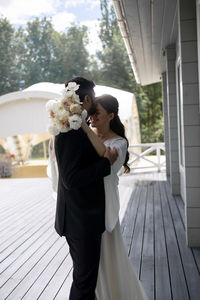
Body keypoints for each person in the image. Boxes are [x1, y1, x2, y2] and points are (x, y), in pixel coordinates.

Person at [53, 78, 118, 300]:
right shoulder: (69, 131)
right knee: (84, 283)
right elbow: (70, 179)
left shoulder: (76, 127)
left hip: (80, 217)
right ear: (87, 99)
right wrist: (104, 165)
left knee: (85, 280)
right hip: (80, 220)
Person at [81, 94, 148, 300]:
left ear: (111, 115)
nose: (91, 118)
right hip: (84, 204)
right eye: (90, 114)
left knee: (107, 256)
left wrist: (82, 126)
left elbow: (106, 162)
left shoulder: (119, 143)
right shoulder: (87, 135)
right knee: (86, 261)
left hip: (104, 205)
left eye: (96, 114)